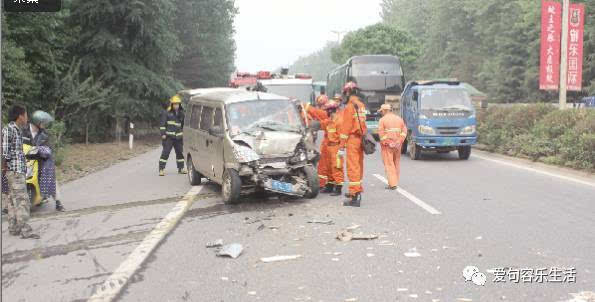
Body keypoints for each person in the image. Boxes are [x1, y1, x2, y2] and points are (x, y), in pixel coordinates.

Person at [1, 105, 40, 239]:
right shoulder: (9, 130)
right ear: (20, 116)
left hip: (16, 170)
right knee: (23, 200)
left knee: (12, 200)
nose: (27, 117)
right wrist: (5, 170)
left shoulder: (17, 130)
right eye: (26, 114)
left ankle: (14, 227)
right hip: (15, 172)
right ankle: (25, 230)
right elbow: (4, 152)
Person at [21, 110, 64, 211]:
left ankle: (58, 202)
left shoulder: (44, 135)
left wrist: (40, 151)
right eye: (43, 122)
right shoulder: (22, 130)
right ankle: (7, 205)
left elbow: (49, 149)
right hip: (23, 160)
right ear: (37, 122)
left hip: (39, 160)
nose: (45, 125)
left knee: (50, 176)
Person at [338, 81, 367, 207]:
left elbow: (345, 129)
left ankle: (355, 197)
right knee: (359, 166)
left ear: (348, 92)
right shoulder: (361, 105)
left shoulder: (350, 107)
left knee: (352, 167)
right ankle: (355, 191)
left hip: (352, 141)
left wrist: (341, 146)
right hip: (360, 139)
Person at [377, 104, 407, 190]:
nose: (381, 113)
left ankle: (393, 184)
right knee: (396, 163)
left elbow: (381, 134)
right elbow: (404, 131)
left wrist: (388, 142)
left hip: (388, 146)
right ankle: (395, 181)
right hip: (398, 145)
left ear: (385, 111)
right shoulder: (399, 119)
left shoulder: (382, 120)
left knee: (389, 164)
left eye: (382, 111)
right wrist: (399, 141)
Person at [159, 94, 187, 176]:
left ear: (180, 104)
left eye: (177, 104)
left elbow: (183, 125)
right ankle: (161, 169)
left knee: (180, 153)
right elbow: (162, 124)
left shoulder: (181, 113)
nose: (176, 105)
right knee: (166, 152)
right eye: (174, 104)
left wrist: (183, 134)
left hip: (178, 137)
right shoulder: (166, 113)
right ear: (172, 104)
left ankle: (181, 168)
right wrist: (163, 134)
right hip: (168, 137)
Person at [321, 100, 345, 196]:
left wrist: (341, 148)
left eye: (326, 110)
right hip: (329, 147)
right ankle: (330, 185)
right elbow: (326, 132)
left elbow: (342, 136)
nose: (325, 112)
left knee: (337, 167)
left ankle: (338, 188)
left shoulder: (339, 121)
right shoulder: (330, 121)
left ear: (330, 110)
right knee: (329, 167)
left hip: (336, 147)